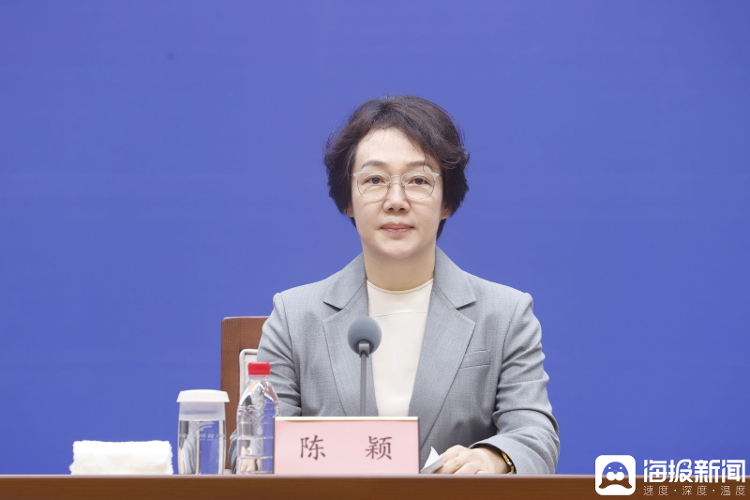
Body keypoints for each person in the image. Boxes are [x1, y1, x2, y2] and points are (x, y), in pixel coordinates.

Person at [229, 95, 560, 474]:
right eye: (374, 180)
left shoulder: (505, 315)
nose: (396, 200)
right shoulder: (294, 317)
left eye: (419, 180)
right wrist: (254, 456)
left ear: (447, 201)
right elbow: (253, 445)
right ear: (348, 200)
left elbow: (535, 436)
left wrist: (490, 458)